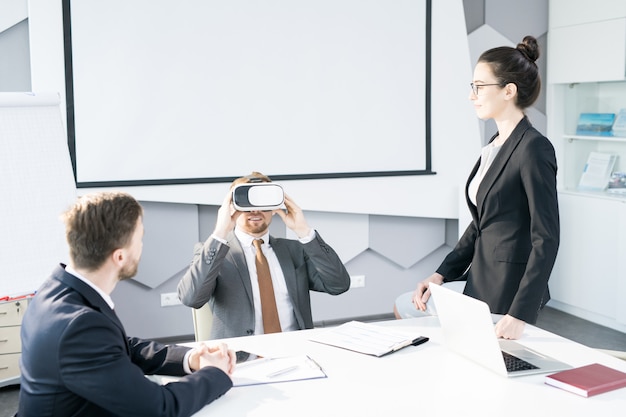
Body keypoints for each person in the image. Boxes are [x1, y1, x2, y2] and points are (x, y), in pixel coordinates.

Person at [394, 35, 559, 340]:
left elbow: (546, 238)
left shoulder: (534, 148)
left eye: (479, 86)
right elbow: (481, 224)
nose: (472, 95)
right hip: (482, 281)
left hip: (509, 290)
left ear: (509, 90)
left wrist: (519, 312)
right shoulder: (495, 145)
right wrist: (440, 274)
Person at [18, 192, 236, 417]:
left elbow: (116, 348)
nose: (142, 247)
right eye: (139, 239)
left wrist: (189, 358)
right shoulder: (80, 325)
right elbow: (158, 409)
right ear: (119, 257)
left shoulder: (56, 289)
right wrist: (214, 373)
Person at [177, 172, 351, 339]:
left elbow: (339, 285)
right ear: (231, 206)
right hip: (238, 359)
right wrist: (221, 232)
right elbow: (191, 298)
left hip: (295, 350)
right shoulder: (214, 252)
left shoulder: (294, 250)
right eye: (245, 202)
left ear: (275, 208)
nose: (255, 210)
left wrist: (304, 232)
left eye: (263, 202)